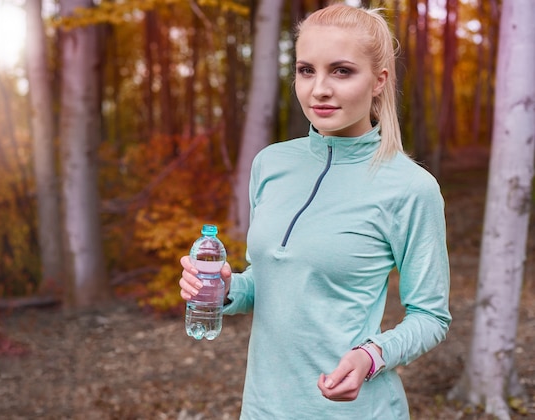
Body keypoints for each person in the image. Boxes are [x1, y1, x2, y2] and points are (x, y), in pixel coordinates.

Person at [179, 3, 451, 419]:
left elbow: (431, 315)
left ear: (379, 81)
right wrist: (225, 288)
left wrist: (372, 356)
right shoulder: (270, 165)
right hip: (263, 409)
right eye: (307, 70)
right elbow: (270, 283)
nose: (319, 89)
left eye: (341, 71)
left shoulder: (411, 188)